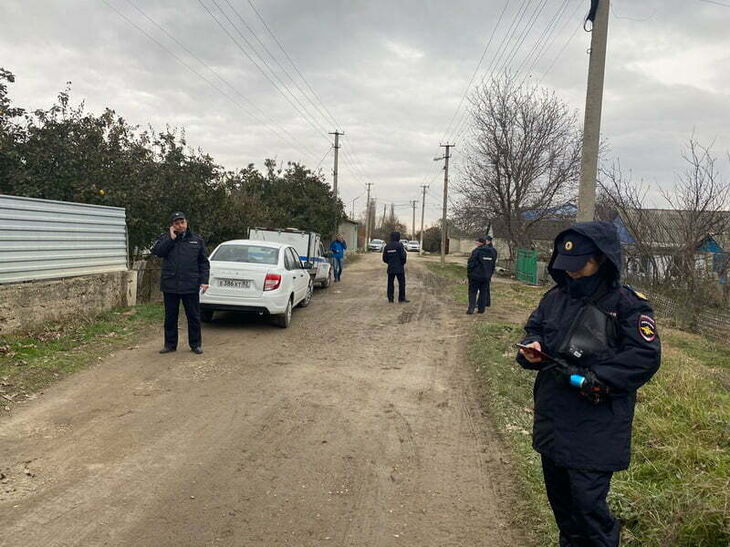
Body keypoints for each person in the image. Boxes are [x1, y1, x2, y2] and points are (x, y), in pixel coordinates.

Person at [516, 221, 661, 546]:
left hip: (595, 427)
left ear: (602, 259)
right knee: (564, 512)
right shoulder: (554, 298)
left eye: (579, 265)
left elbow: (644, 356)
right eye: (566, 264)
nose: (571, 272)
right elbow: (535, 329)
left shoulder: (627, 305)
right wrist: (533, 346)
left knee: (589, 512)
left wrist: (594, 379)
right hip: (553, 421)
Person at [151, 211, 210, 355]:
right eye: (177, 223)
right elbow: (158, 252)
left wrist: (204, 281)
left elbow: (203, 262)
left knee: (193, 316)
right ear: (172, 226)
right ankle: (170, 345)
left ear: (186, 223)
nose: (180, 225)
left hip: (190, 284)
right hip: (170, 285)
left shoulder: (197, 240)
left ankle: (195, 344)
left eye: (182, 222)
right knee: (170, 317)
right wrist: (171, 239)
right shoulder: (166, 238)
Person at [466, 235, 497, 314]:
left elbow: (471, 263)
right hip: (486, 276)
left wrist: (469, 273)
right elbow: (493, 264)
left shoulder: (477, 251)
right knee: (483, 292)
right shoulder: (492, 252)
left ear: (481, 243)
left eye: (477, 241)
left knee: (473, 292)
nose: (476, 243)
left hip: (475, 276)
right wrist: (490, 274)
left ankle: (471, 308)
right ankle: (481, 309)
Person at [382, 231, 409, 303]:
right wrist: (402, 263)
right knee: (401, 283)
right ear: (398, 237)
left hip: (391, 267)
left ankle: (390, 299)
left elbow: (384, 258)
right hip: (399, 268)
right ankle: (401, 299)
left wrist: (389, 263)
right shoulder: (400, 245)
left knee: (390, 283)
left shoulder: (387, 246)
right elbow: (403, 256)